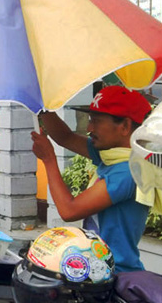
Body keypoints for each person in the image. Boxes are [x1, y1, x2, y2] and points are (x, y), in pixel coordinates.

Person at [32, 85, 152, 273]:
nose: (89, 128)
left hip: (115, 274)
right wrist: (40, 102)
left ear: (125, 126)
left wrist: (49, 160)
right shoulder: (113, 156)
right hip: (97, 268)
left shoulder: (128, 171)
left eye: (96, 121)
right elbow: (65, 137)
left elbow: (69, 210)